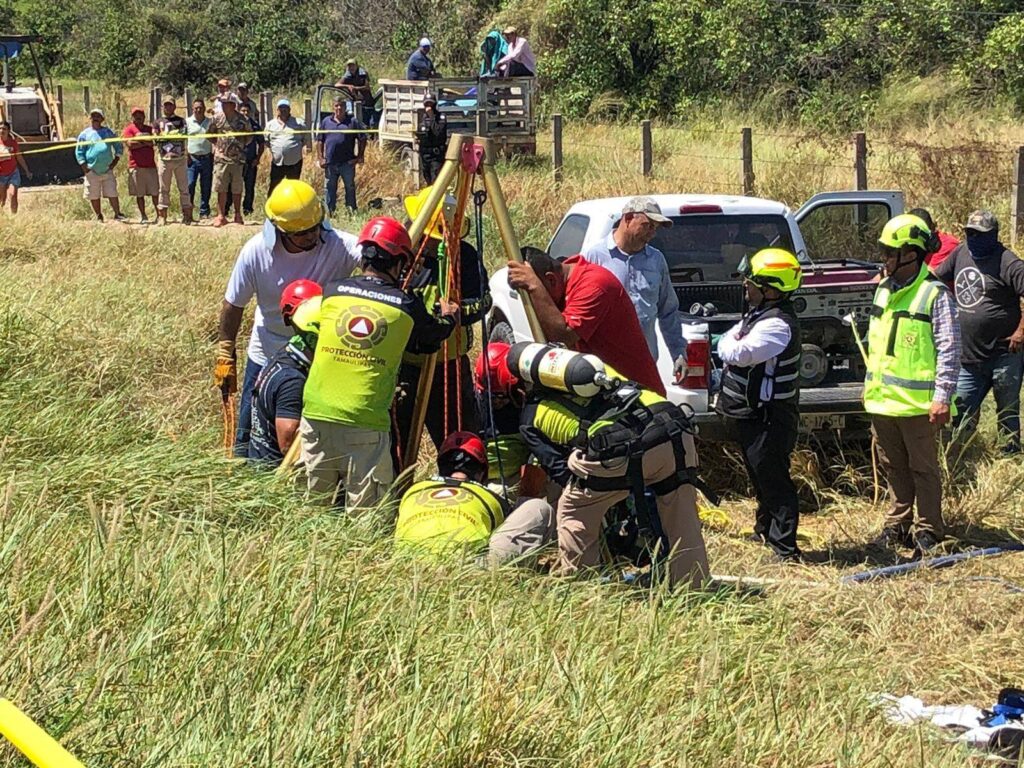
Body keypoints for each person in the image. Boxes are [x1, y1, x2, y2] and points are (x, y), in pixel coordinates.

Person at [299, 216, 458, 511]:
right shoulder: (405, 306)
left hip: (314, 414)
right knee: (366, 519)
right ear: (399, 263)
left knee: (314, 511)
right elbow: (433, 336)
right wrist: (450, 315)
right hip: (363, 422)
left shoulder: (332, 291)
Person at [517, 345, 710, 588]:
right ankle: (692, 586)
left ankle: (581, 589)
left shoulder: (530, 417)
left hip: (621, 449)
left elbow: (564, 473)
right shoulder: (594, 371)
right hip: (675, 428)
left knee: (572, 509)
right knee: (680, 512)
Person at [215, 179, 361, 458]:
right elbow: (233, 305)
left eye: (316, 227)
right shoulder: (256, 252)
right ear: (279, 230)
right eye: (302, 233)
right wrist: (225, 353)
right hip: (266, 353)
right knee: (250, 434)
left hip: (318, 358)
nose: (312, 236)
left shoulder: (338, 245)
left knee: (311, 437)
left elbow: (374, 256)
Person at [867, 214, 960, 555]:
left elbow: (949, 349)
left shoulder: (934, 294)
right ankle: (898, 525)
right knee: (894, 468)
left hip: (918, 405)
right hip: (882, 402)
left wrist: (942, 397)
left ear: (911, 254)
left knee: (923, 469)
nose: (884, 258)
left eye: (890, 252)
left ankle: (929, 531)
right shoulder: (882, 290)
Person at [716, 248, 804, 562]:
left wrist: (725, 345)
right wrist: (729, 342)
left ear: (770, 289)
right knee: (758, 474)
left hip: (772, 417)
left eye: (751, 281)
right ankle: (764, 530)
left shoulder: (778, 324)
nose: (745, 285)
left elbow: (738, 351)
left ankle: (785, 548)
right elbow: (732, 339)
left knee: (773, 478)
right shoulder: (759, 314)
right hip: (754, 413)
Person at [391, 187, 488, 467]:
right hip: (406, 366)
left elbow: (483, 300)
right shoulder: (403, 255)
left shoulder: (464, 256)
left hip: (449, 367)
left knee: (462, 443)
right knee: (398, 447)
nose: (435, 244)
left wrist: (457, 313)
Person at [506, 247, 665, 395]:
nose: (536, 303)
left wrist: (535, 287)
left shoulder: (595, 284)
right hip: (604, 393)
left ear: (551, 280)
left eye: (534, 297)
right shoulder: (564, 283)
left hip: (640, 399)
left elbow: (563, 337)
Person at [933, 210, 1024, 455]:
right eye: (969, 232)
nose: (973, 238)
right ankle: (965, 456)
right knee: (961, 410)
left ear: (993, 235)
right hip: (969, 356)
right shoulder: (961, 252)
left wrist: (1020, 331)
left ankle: (1009, 456)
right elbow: (935, 277)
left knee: (1007, 410)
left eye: (979, 234)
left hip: (1004, 354)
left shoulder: (1008, 262)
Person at [583, 197, 687, 380]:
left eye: (655, 228)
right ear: (628, 218)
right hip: (604, 368)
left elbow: (668, 311)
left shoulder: (656, 260)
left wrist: (678, 353)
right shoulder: (594, 256)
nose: (652, 233)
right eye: (648, 225)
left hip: (643, 365)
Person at [395, 432, 508, 558]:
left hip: (405, 559)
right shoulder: (493, 499)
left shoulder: (412, 491)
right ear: (481, 473)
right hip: (465, 563)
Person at [249, 280, 323, 467]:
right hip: (272, 475)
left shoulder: (284, 355)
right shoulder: (293, 380)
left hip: (258, 461)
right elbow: (287, 445)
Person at [474, 342, 531, 487]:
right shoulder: (473, 404)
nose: (495, 402)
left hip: (518, 474)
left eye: (500, 396)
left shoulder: (526, 401)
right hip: (482, 474)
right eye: (489, 396)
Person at [317, 97, 366, 213]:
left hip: (347, 163)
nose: (339, 108)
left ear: (345, 107)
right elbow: (320, 140)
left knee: (349, 187)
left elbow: (363, 138)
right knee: (329, 188)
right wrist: (320, 158)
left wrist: (359, 156)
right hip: (330, 163)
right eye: (337, 105)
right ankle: (329, 212)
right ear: (333, 107)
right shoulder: (326, 122)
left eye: (342, 106)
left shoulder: (352, 122)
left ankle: (351, 211)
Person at [208, 95, 251, 227]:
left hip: (238, 160)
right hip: (221, 159)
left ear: (233, 104)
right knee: (221, 187)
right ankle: (221, 215)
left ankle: (237, 215)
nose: (224, 105)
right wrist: (219, 146)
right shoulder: (217, 117)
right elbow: (209, 134)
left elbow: (249, 136)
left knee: (237, 188)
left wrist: (240, 147)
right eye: (223, 103)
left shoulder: (242, 119)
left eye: (227, 103)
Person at [75, 108, 124, 222]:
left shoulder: (108, 132)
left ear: (102, 119)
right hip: (92, 170)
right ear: (90, 118)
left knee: (112, 192)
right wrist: (84, 167)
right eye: (93, 116)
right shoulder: (84, 134)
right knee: (93, 194)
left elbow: (118, 145)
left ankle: (117, 213)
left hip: (107, 169)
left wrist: (115, 161)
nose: (95, 118)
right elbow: (79, 151)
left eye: (98, 116)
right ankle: (98, 216)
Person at [153, 97, 192, 225]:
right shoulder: (157, 122)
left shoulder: (181, 121)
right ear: (162, 107)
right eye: (166, 105)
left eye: (170, 105)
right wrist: (169, 136)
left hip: (180, 158)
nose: (168, 107)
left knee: (184, 188)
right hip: (164, 159)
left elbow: (184, 135)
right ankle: (162, 216)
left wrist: (167, 136)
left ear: (174, 107)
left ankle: (187, 216)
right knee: (163, 189)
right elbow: (156, 139)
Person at [264, 99, 310, 195]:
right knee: (274, 187)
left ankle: (293, 208)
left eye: (285, 108)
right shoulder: (270, 125)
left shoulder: (299, 123)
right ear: (277, 110)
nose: (283, 110)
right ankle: (272, 208)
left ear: (289, 109)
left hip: (294, 162)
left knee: (293, 188)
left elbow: (306, 138)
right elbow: (267, 142)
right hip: (277, 163)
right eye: (281, 108)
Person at [122, 107, 159, 224]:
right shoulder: (129, 129)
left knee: (155, 192)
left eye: (140, 115)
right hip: (136, 166)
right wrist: (145, 141)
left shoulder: (150, 128)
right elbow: (130, 144)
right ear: (132, 117)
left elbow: (152, 142)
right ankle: (143, 216)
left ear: (144, 116)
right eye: (135, 115)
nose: (138, 117)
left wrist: (139, 141)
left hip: (150, 165)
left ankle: (159, 215)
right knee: (139, 194)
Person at [186, 99, 213, 219]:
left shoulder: (210, 122)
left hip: (207, 158)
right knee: (190, 185)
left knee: (206, 186)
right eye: (196, 107)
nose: (198, 109)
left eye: (200, 107)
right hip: (192, 158)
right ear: (192, 109)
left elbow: (215, 138)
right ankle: (188, 211)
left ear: (204, 108)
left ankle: (204, 212)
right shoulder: (187, 122)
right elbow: (183, 140)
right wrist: (186, 155)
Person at [238, 102, 264, 217]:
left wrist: (257, 159)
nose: (245, 113)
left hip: (250, 162)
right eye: (243, 111)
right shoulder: (235, 125)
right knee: (234, 187)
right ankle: (230, 209)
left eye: (247, 111)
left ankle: (247, 209)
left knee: (249, 187)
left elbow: (261, 143)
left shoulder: (255, 126)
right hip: (237, 162)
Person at [0, 121, 32, 214]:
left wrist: (27, 170)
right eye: (0, 128)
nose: (2, 130)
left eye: (4, 129)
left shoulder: (13, 143)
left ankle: (14, 215)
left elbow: (19, 157)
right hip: (1, 175)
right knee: (2, 199)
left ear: (8, 131)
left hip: (12, 173)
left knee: (13, 194)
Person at [416, 94, 447, 184]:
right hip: (425, 154)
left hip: (436, 155)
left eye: (431, 104)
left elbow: (438, 132)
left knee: (436, 180)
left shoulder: (440, 117)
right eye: (427, 104)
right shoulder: (422, 117)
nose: (429, 106)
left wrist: (432, 117)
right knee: (427, 179)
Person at [339, 58, 377, 127]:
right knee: (356, 121)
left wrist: (355, 88)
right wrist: (348, 86)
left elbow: (367, 87)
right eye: (349, 66)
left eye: (353, 66)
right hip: (355, 103)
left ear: (356, 66)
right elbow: (337, 85)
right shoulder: (347, 75)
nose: (351, 68)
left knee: (370, 123)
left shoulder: (363, 73)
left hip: (367, 103)